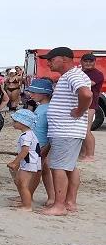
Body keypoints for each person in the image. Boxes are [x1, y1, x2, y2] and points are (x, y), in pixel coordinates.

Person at [38, 47, 94, 216]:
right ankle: (69, 202)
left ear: (63, 59)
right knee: (69, 166)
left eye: (51, 59)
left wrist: (79, 110)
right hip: (67, 130)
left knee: (59, 167)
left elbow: (86, 94)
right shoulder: (71, 75)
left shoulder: (73, 75)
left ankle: (59, 205)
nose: (48, 63)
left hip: (66, 130)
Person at [26, 78, 55, 206]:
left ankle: (28, 196)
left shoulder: (48, 109)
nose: (30, 94)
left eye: (34, 92)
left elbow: (51, 130)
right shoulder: (41, 107)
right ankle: (51, 197)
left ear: (44, 94)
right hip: (38, 143)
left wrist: (47, 147)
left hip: (42, 145)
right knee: (44, 171)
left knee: (36, 171)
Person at [7, 109, 42, 209]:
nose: (13, 123)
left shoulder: (25, 136)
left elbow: (25, 150)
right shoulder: (31, 134)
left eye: (15, 121)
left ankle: (27, 206)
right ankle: (24, 202)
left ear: (23, 123)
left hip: (28, 163)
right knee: (21, 182)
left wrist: (15, 163)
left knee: (22, 184)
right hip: (33, 162)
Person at [80, 53, 101, 161]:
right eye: (86, 61)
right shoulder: (81, 72)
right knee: (81, 130)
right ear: (81, 61)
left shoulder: (97, 74)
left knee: (86, 130)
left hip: (90, 105)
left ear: (94, 62)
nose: (88, 63)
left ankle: (90, 155)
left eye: (91, 61)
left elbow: (88, 84)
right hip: (81, 104)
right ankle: (83, 154)